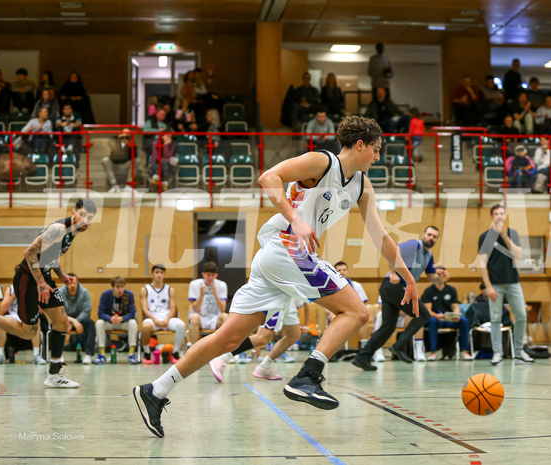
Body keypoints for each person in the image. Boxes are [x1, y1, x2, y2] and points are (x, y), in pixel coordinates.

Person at [133, 116, 420, 437]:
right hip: (288, 249)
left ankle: (155, 390)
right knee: (356, 311)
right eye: (376, 150)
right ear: (360, 145)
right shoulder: (321, 162)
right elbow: (269, 177)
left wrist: (408, 277)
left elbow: (380, 235)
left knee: (227, 339)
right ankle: (308, 376)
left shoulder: (362, 185)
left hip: (276, 260)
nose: (378, 158)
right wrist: (295, 219)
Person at [0, 198, 97, 387]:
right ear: (74, 213)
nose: (85, 220)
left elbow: (50, 254)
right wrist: (40, 283)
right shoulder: (59, 229)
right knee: (28, 332)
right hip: (28, 279)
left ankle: (54, 376)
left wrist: (61, 275)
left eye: (90, 218)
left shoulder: (72, 231)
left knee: (61, 322)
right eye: (83, 215)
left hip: (43, 277)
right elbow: (29, 253)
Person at [352, 226, 447, 371]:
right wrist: (393, 272)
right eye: (429, 235)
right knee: (423, 314)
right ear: (423, 234)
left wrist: (441, 278)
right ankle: (398, 346)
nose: (431, 238)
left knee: (388, 327)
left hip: (393, 289)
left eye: (434, 237)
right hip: (394, 286)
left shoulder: (428, 256)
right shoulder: (415, 245)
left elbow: (431, 277)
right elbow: (394, 249)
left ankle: (362, 357)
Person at [477, 204, 533, 366]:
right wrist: (488, 286)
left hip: (513, 282)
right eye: (496, 214)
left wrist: (506, 237)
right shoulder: (484, 237)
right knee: (495, 319)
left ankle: (518, 352)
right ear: (492, 217)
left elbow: (518, 254)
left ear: (505, 216)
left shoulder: (512, 233)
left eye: (502, 213)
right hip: (495, 284)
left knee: (521, 315)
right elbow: (482, 264)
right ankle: (497, 353)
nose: (499, 216)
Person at [420, 266, 474, 361]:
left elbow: (455, 306)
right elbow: (428, 310)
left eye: (442, 274)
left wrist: (456, 315)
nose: (440, 276)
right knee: (432, 321)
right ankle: (433, 352)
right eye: (438, 274)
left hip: (449, 320)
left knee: (464, 321)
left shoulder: (451, 290)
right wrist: (436, 315)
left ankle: (464, 351)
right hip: (437, 319)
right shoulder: (428, 291)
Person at [140, 264, 185, 365]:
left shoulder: (170, 290)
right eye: (157, 272)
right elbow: (144, 308)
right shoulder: (145, 289)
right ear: (152, 274)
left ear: (164, 274)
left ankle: (175, 353)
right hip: (152, 319)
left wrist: (167, 319)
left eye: (161, 272)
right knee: (145, 327)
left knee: (181, 325)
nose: (159, 275)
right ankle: (147, 353)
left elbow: (173, 308)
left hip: (166, 318)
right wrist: (154, 319)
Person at [0, 284, 46, 365]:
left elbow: (41, 311)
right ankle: (0, 355)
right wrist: (14, 294)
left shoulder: (33, 287)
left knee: (36, 321)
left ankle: (36, 355)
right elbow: (3, 309)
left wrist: (30, 298)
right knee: (0, 321)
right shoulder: (11, 289)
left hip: (28, 315)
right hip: (13, 316)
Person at [95, 275, 139, 364]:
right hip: (110, 322)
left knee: (133, 323)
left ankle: (131, 354)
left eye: (122, 287)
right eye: (117, 287)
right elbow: (100, 313)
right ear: (113, 287)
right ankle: (102, 354)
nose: (120, 290)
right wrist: (110, 318)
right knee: (99, 323)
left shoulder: (129, 295)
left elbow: (132, 313)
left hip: (123, 322)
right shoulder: (105, 295)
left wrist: (122, 318)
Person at [186, 262, 228, 349]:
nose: (210, 278)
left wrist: (215, 295)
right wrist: (201, 295)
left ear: (216, 275)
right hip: (201, 318)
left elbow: (223, 309)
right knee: (193, 317)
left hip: (215, 318)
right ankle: (194, 349)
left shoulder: (221, 285)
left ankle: (226, 349)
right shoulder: (194, 284)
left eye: (212, 275)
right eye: (208, 275)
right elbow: (196, 309)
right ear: (203, 274)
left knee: (226, 317)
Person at [58, 272, 95, 365]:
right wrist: (71, 321)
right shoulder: (60, 292)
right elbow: (58, 311)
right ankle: (58, 355)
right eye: (69, 282)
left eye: (74, 282)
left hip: (81, 320)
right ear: (66, 283)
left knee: (90, 323)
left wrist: (76, 321)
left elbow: (87, 311)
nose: (72, 285)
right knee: (55, 324)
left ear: (78, 282)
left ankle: (88, 354)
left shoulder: (84, 292)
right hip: (66, 319)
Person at [103, 129, 137, 193]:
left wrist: (129, 146)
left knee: (136, 160)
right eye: (124, 135)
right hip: (114, 163)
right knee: (105, 160)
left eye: (127, 135)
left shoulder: (132, 143)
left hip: (125, 164)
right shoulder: (115, 141)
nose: (125, 137)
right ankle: (114, 185)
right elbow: (110, 140)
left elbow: (134, 157)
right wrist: (119, 137)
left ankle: (129, 185)